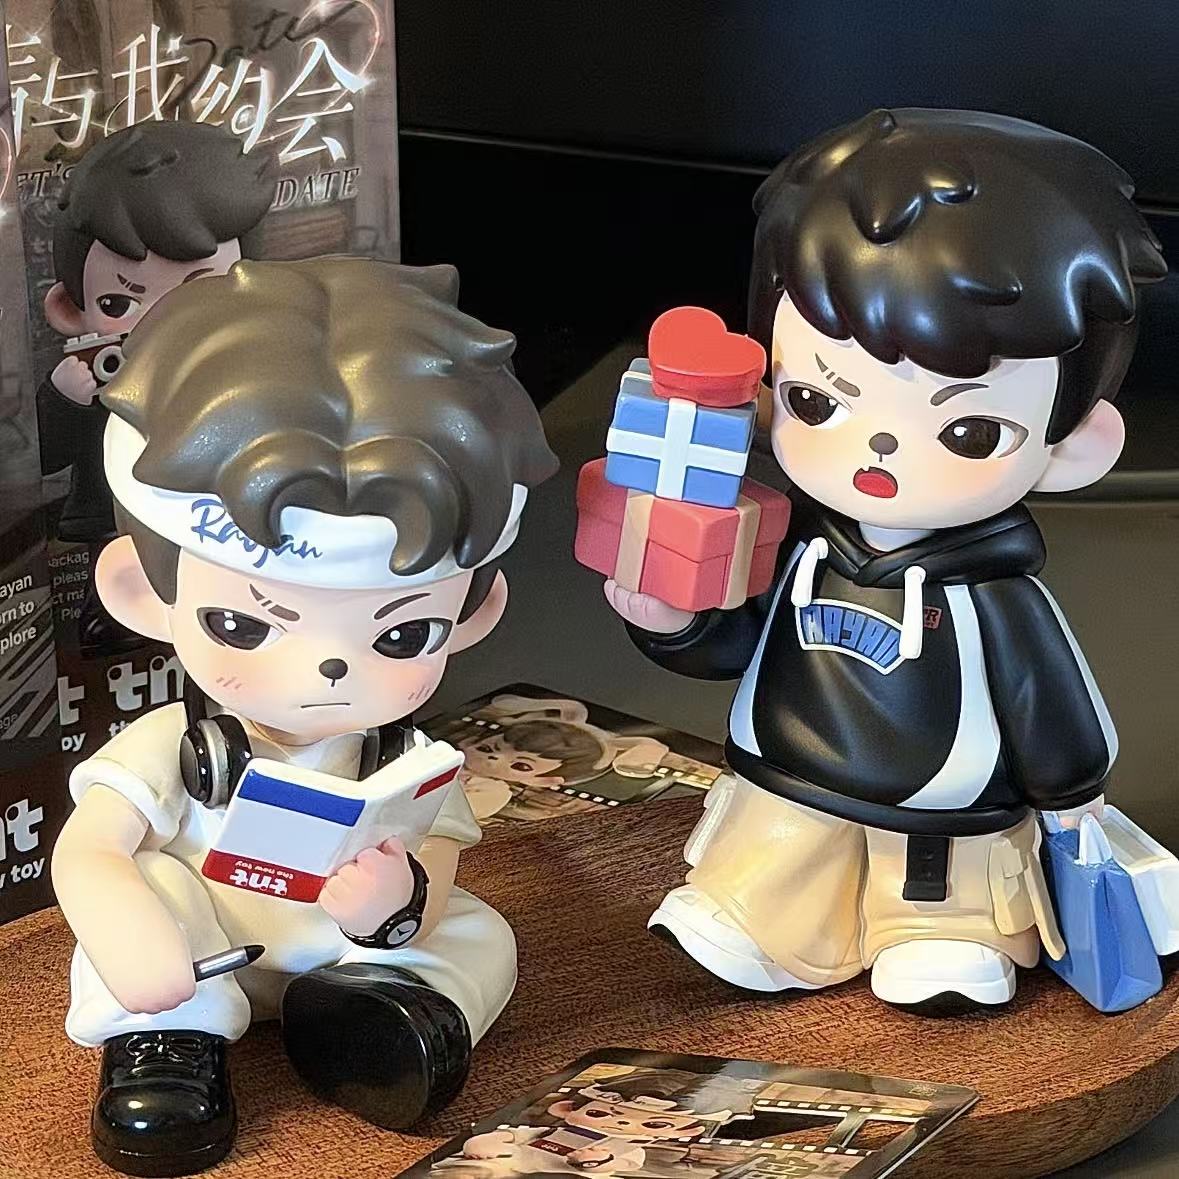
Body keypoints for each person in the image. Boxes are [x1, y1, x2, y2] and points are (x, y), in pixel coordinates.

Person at [603, 109, 1166, 1007]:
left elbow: (1045, 696)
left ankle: (944, 939)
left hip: (947, 808)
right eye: (817, 403)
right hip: (792, 775)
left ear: (1071, 448)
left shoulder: (991, 596)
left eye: (967, 430)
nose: (879, 453)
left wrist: (1070, 793)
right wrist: (673, 620)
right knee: (775, 857)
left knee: (939, 887)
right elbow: (738, 641)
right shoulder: (799, 545)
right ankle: (765, 923)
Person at [50, 256, 558, 1176]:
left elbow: (438, 865)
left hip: (342, 950)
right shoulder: (175, 744)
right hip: (200, 943)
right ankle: (168, 1041)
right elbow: (88, 850)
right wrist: (127, 930)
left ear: (472, 616)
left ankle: (376, 1026)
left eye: (400, 635)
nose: (326, 670)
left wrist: (396, 907)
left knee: (481, 934)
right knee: (149, 891)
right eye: (244, 625)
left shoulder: (403, 760)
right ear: (143, 594)